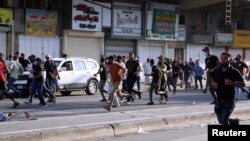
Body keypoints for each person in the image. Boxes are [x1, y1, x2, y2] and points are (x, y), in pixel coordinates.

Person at [212, 52, 245, 125]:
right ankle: (234, 122)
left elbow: (243, 84)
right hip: (219, 99)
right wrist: (213, 84)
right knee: (221, 120)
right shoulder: (217, 71)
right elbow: (213, 82)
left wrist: (232, 83)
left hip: (229, 100)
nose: (223, 60)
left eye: (225, 58)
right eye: (221, 58)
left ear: (230, 60)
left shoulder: (234, 71)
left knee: (224, 121)